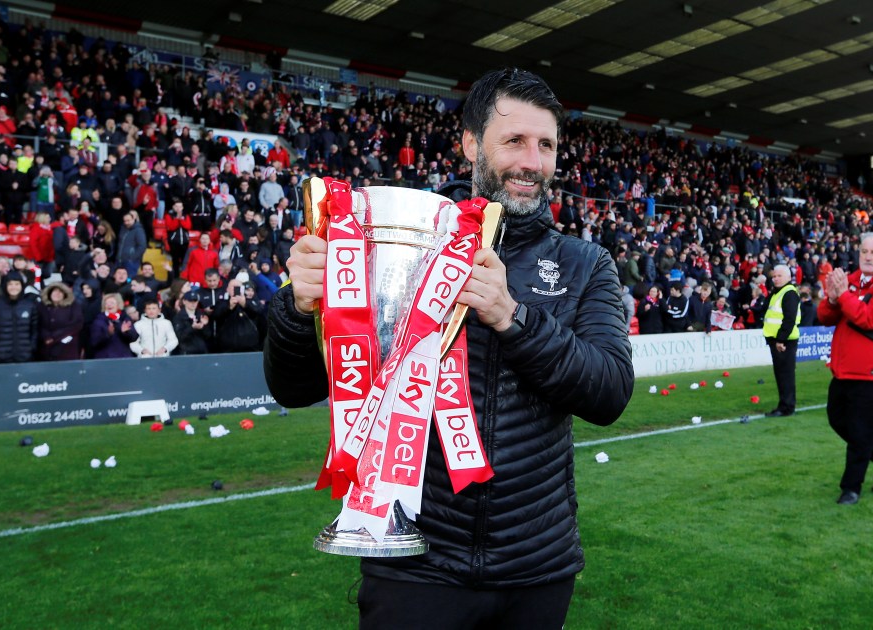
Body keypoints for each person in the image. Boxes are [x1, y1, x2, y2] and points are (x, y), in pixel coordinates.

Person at [263, 68, 634, 628]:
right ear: (469, 143)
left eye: (546, 145)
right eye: (514, 141)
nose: (532, 161)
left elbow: (609, 393)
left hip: (536, 566)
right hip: (415, 566)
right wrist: (299, 310)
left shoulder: (587, 265)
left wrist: (515, 319)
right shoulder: (399, 235)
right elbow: (292, 388)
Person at [818, 232, 873, 505]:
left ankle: (851, 488)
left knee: (859, 431)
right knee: (838, 419)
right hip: (844, 369)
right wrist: (833, 299)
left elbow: (867, 319)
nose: (868, 256)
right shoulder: (853, 280)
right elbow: (825, 317)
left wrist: (843, 294)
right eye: (864, 251)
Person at [762, 264, 801, 417]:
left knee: (785, 374)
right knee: (782, 374)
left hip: (784, 341)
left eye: (779, 276)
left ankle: (786, 407)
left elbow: (789, 319)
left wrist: (781, 340)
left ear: (788, 277)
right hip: (777, 339)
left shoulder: (789, 293)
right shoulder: (778, 292)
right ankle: (785, 405)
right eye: (774, 276)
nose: (776, 279)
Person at [0, 272, 38, 363]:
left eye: (17, 284)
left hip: (25, 358)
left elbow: (35, 330)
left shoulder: (30, 306)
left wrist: (31, 348)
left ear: (22, 285)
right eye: (10, 284)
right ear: (4, 285)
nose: (14, 287)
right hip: (0, 359)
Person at [38, 282, 84, 361]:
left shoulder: (74, 306)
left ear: (65, 294)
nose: (57, 294)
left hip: (67, 348)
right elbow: (39, 324)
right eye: (55, 291)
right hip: (46, 349)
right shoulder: (41, 307)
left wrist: (54, 337)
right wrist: (46, 336)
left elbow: (76, 324)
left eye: (60, 291)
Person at [90, 292, 138, 359]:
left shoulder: (124, 318)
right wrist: (108, 334)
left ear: (118, 304)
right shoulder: (99, 320)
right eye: (107, 303)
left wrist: (125, 332)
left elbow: (134, 337)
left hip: (123, 357)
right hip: (105, 358)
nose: (109, 305)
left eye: (112, 303)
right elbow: (94, 342)